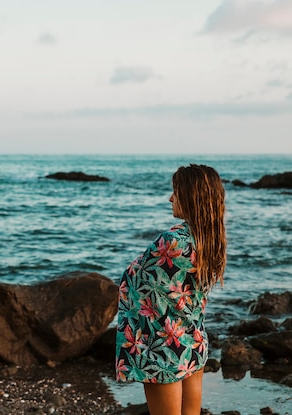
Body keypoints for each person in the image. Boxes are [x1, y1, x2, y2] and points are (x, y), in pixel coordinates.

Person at [115, 164, 227, 415]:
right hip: (191, 339)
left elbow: (136, 279)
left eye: (175, 192)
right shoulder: (210, 239)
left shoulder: (172, 240)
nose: (170, 198)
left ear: (190, 196)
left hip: (163, 345)